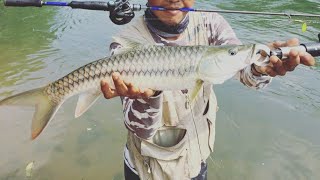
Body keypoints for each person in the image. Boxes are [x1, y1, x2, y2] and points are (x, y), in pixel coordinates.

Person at [100, 0, 315, 179]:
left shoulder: (211, 23)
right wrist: (149, 96)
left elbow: (247, 75)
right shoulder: (127, 43)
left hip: (196, 158)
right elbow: (142, 129)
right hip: (146, 169)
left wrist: (261, 68)